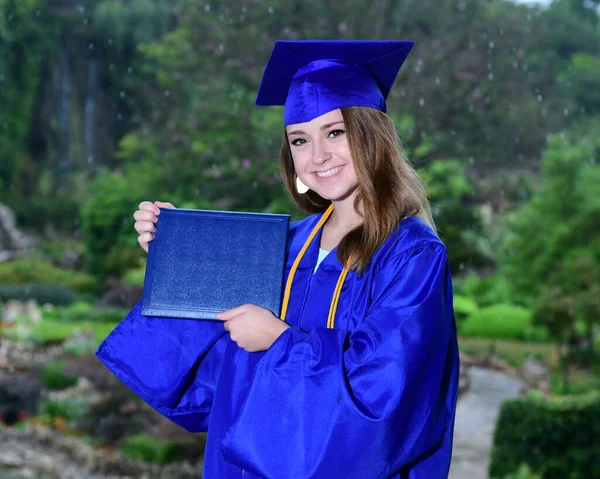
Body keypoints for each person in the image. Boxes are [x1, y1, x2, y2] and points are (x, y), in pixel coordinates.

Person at [96, 40, 459, 478]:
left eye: (336, 132)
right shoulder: (284, 245)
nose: (318, 156)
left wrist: (281, 342)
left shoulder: (413, 256)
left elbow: (386, 398)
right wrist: (180, 256)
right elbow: (214, 380)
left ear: (372, 136)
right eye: (300, 140)